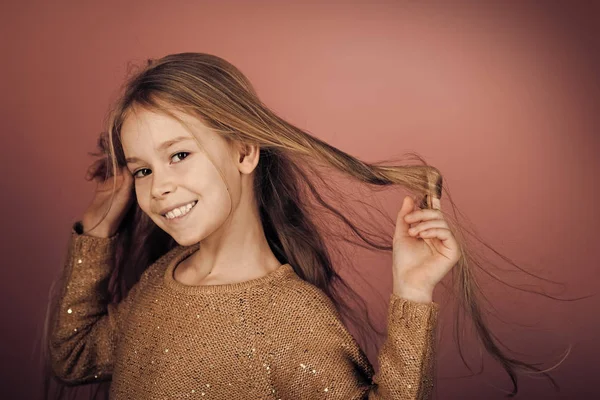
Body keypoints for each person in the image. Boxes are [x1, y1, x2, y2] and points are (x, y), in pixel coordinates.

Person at [43, 53, 553, 399]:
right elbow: (75, 358)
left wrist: (412, 293)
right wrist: (98, 230)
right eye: (143, 170)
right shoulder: (162, 279)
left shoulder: (293, 321)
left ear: (244, 151)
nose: (158, 188)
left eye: (179, 154)